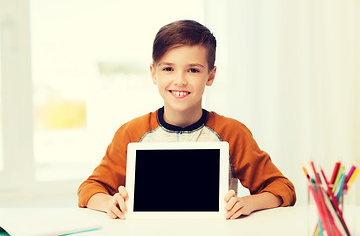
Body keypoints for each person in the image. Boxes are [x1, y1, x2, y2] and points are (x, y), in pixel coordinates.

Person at [77, 19, 296, 220]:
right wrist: (109, 203)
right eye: (168, 69)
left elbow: (281, 188)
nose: (180, 80)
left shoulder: (232, 132)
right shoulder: (131, 133)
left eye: (193, 70)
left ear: (210, 76)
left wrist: (248, 203)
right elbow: (90, 189)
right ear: (154, 73)